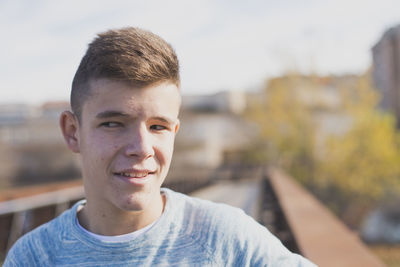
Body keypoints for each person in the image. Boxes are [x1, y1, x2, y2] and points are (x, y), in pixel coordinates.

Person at [4, 27, 316, 266]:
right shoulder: (34, 258)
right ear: (73, 132)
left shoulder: (227, 240)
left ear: (174, 132)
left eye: (158, 127)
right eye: (113, 124)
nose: (141, 147)